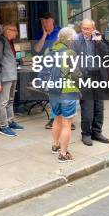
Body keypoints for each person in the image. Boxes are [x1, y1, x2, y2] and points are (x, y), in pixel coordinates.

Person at [74, 19, 109, 146]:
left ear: (93, 28)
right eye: (83, 28)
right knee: (87, 108)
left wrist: (99, 41)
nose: (85, 31)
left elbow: (106, 53)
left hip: (98, 77)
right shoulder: (76, 40)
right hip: (85, 77)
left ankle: (97, 132)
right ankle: (86, 134)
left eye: (88, 28)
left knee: (99, 107)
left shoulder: (98, 38)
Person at [46, 27, 80, 162]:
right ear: (69, 39)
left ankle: (55, 146)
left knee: (56, 118)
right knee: (67, 123)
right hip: (67, 90)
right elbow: (76, 74)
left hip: (53, 90)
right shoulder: (70, 53)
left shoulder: (50, 50)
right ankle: (63, 154)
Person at [0, 23, 24, 137]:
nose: (16, 32)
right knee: (3, 102)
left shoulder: (9, 42)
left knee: (10, 100)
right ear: (7, 31)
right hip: (4, 78)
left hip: (12, 76)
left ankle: (10, 121)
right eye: (14, 30)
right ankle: (3, 126)